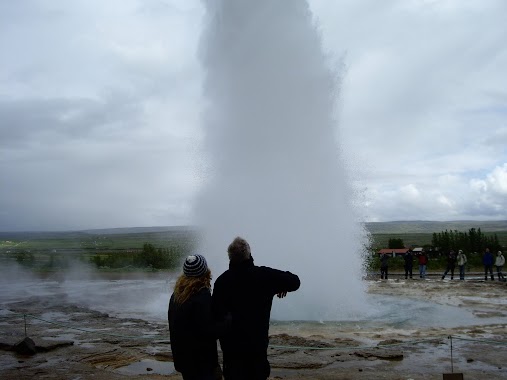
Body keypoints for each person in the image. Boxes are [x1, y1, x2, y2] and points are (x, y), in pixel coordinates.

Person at [212, 236, 300, 380]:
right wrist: (280, 286)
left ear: (230, 258)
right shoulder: (264, 276)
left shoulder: (222, 282)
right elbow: (295, 281)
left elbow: (215, 315)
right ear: (249, 254)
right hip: (257, 351)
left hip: (232, 354)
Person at [168, 254, 223, 380]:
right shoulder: (201, 296)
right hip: (201, 362)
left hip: (183, 359)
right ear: (204, 271)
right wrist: (228, 322)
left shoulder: (177, 294)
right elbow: (209, 331)